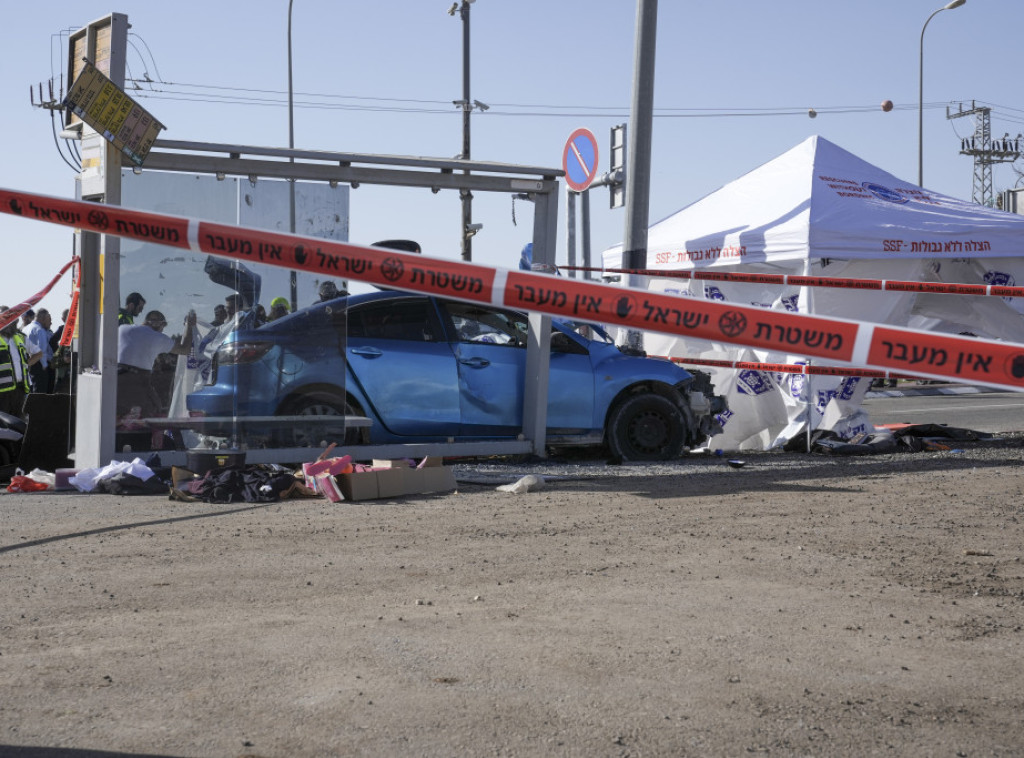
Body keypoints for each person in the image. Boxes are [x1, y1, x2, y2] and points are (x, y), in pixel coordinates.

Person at [117, 309, 196, 422]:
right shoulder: (157, 337)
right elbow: (185, 349)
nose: (162, 331)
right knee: (154, 414)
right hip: (137, 382)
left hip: (114, 379)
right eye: (162, 327)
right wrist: (189, 326)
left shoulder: (122, 329)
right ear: (157, 323)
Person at [0, 306, 33, 418]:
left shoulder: (19, 338)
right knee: (3, 425)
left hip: (19, 390)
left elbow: (38, 353)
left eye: (11, 319)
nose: (9, 322)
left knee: (19, 424)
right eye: (5, 319)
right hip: (2, 393)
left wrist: (25, 364)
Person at [24, 308, 54, 393]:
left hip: (27, 362)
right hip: (38, 365)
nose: (50, 323)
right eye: (48, 320)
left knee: (31, 390)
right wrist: (44, 366)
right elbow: (42, 351)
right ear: (42, 319)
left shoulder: (26, 328)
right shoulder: (39, 330)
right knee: (40, 393)